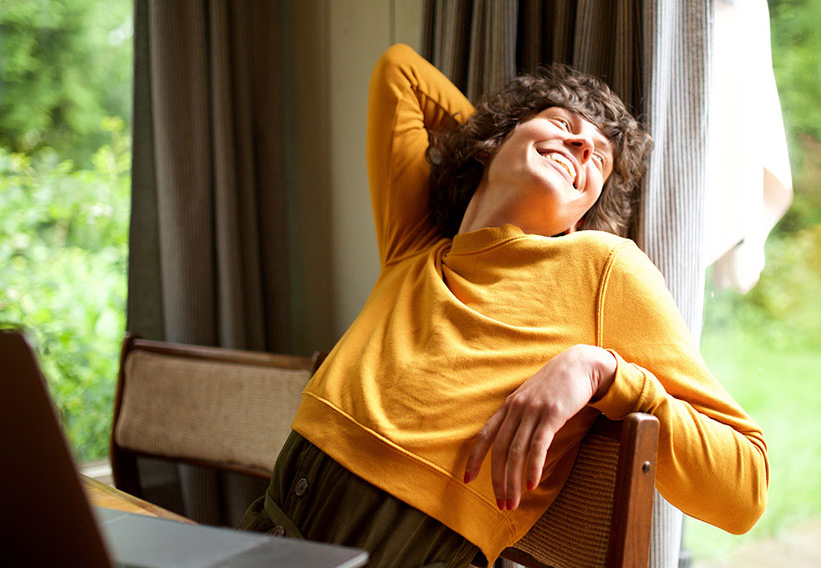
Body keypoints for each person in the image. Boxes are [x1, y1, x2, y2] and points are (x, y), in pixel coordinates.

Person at [241, 43, 768, 568]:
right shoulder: (417, 244)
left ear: (580, 218)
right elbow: (400, 71)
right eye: (562, 123)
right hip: (267, 533)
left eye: (598, 161)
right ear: (496, 139)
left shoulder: (601, 266)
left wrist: (604, 373)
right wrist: (493, 143)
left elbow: (745, 486)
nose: (582, 145)